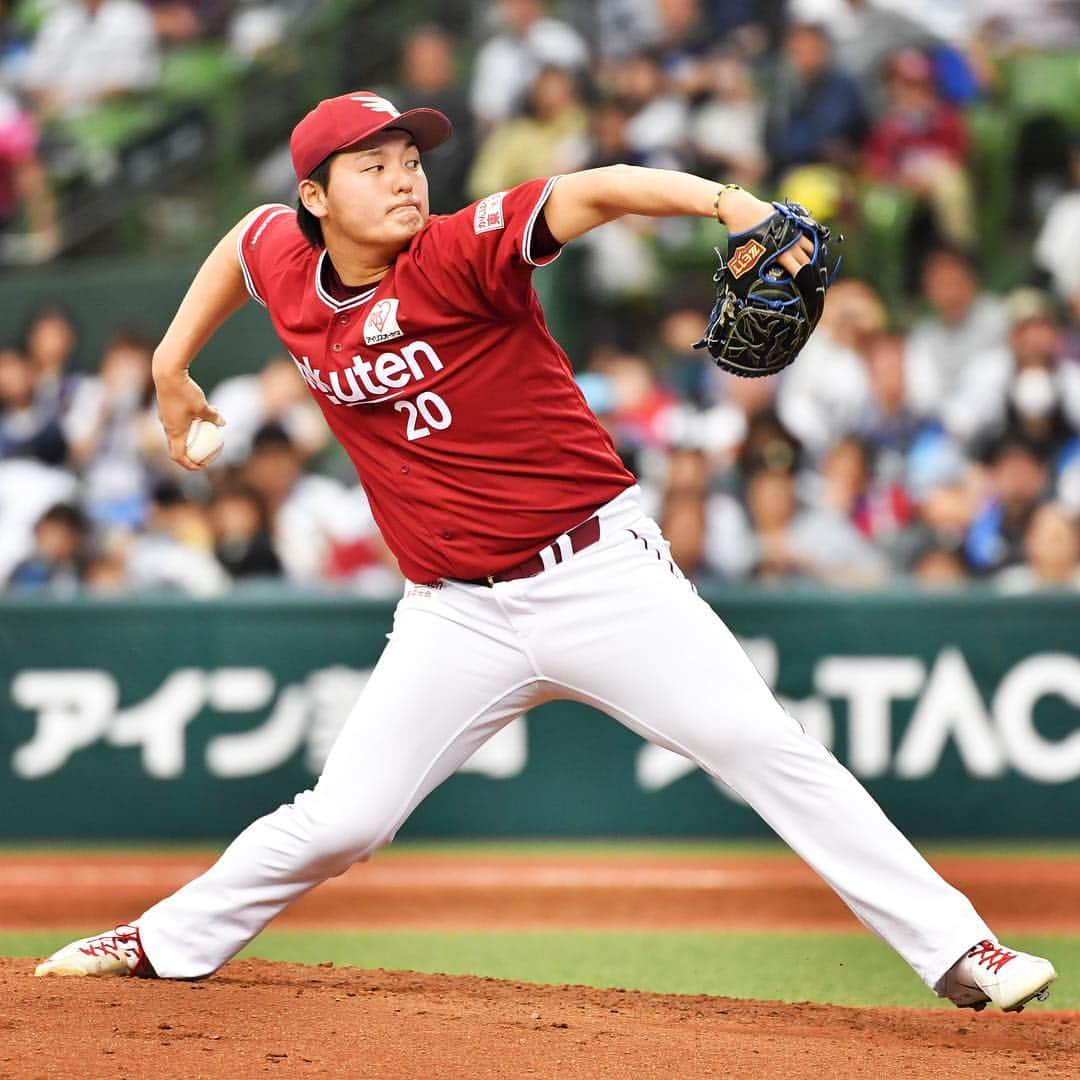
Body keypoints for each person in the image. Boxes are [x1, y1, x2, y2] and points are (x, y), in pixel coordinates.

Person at [35, 89, 1056, 1013]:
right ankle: (163, 939)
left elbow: (598, 188)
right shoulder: (288, 265)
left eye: (410, 159)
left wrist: (727, 204)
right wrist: (172, 365)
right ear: (316, 197)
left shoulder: (459, 250)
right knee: (343, 819)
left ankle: (965, 950)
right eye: (373, 165)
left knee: (763, 747)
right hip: (453, 614)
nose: (403, 179)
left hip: (597, 575)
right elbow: (240, 243)